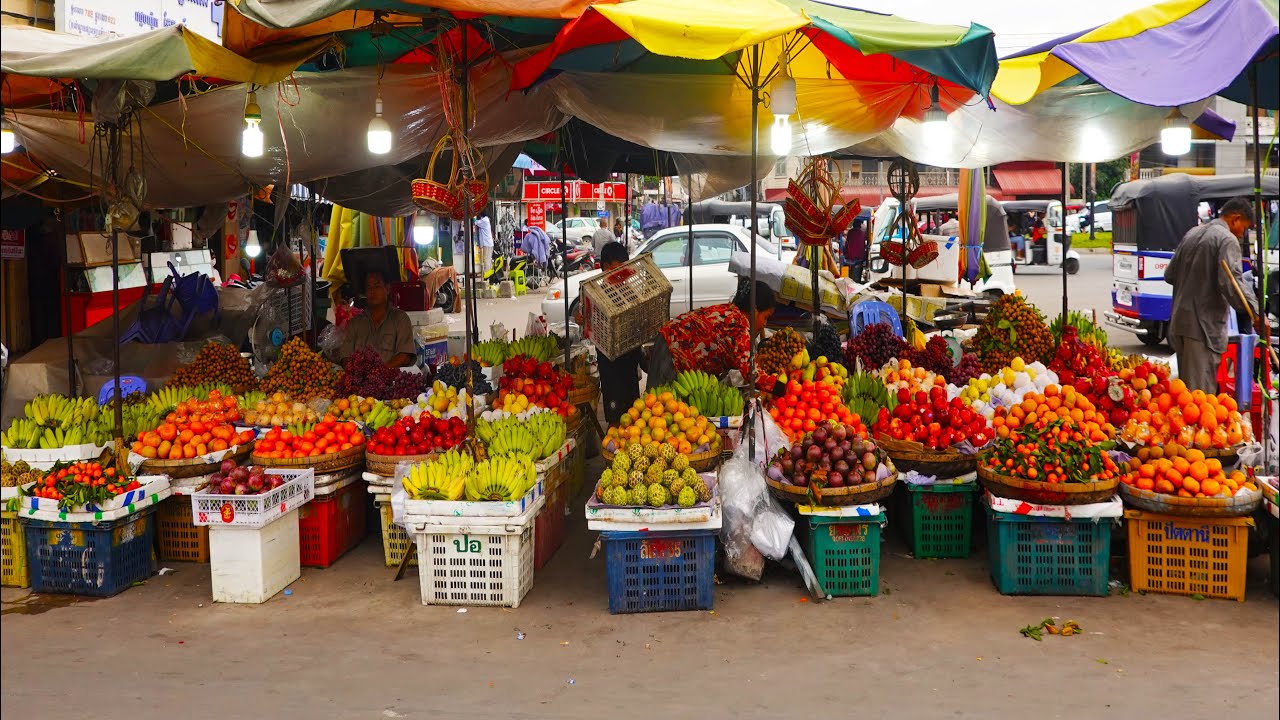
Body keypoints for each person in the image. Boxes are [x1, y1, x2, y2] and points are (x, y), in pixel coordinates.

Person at [1165, 197, 1260, 392]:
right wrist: (1256, 312)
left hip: (1180, 322)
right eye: (1244, 228)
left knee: (1187, 396)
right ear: (1235, 219)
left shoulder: (1192, 233)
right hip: (1202, 328)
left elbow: (1169, 274)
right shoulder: (1227, 240)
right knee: (1198, 399)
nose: (1243, 235)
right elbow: (1231, 283)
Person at [646, 281, 776, 388]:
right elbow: (751, 372)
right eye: (765, 317)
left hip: (675, 346)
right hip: (671, 346)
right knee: (656, 404)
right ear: (755, 310)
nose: (765, 323)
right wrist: (782, 388)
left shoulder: (734, 314)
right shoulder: (737, 323)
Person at [582, 242, 642, 423]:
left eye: (624, 268)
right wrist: (581, 318)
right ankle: (614, 437)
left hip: (630, 355)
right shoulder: (595, 291)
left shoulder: (628, 289)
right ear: (604, 267)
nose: (621, 274)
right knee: (615, 410)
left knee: (633, 407)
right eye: (617, 268)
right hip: (608, 360)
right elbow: (587, 319)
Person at [340, 268, 417, 368]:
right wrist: (356, 371)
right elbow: (345, 356)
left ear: (387, 289)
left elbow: (405, 356)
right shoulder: (355, 323)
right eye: (369, 287)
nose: (372, 291)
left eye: (377, 286)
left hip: (391, 379)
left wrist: (380, 372)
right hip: (360, 380)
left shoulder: (400, 318)